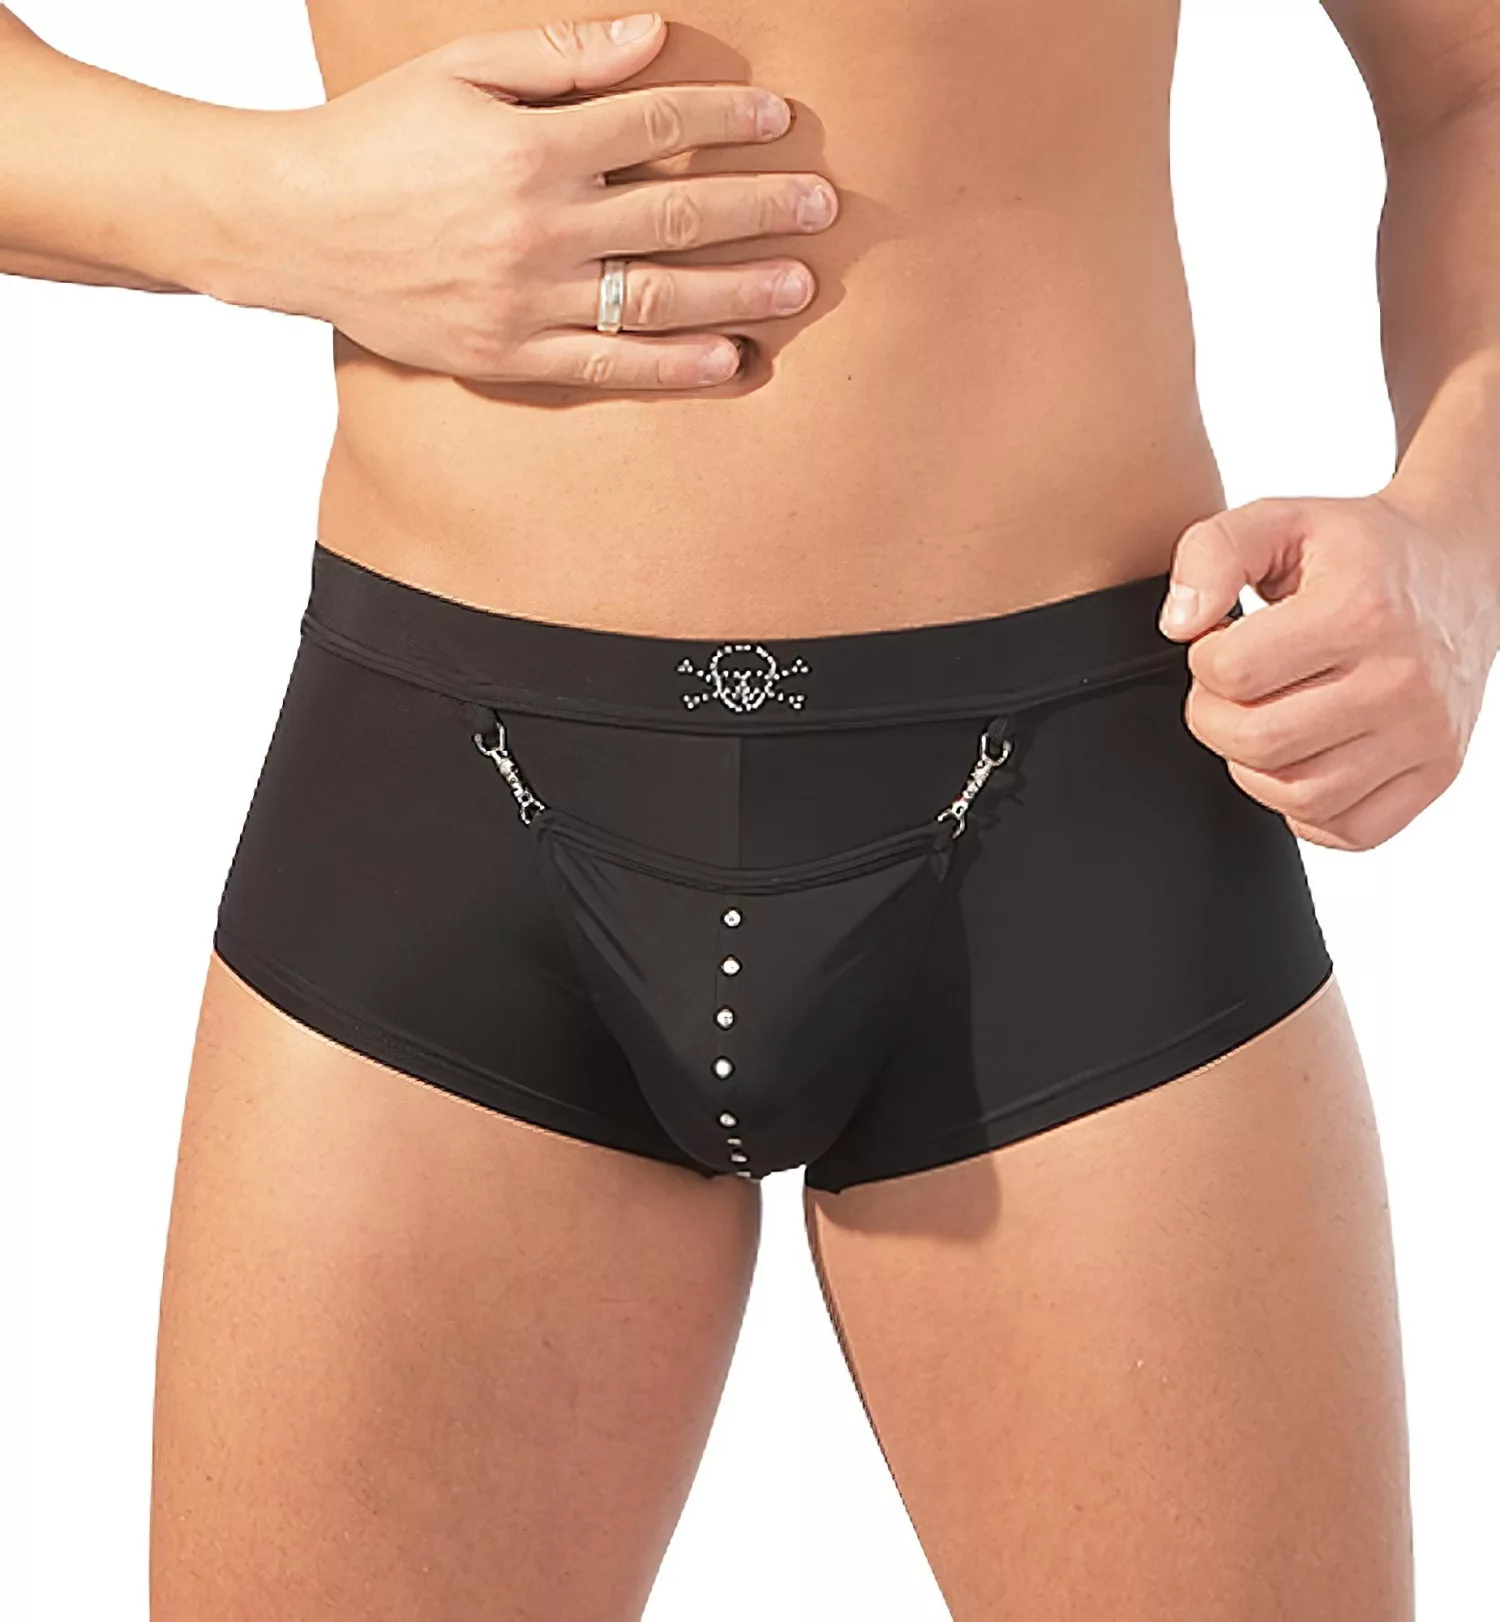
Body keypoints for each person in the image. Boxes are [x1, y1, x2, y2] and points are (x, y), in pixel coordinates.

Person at [3, 3, 1495, 1615]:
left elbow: (1474, 80)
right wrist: (274, 206)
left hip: (1076, 810)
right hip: (448, 804)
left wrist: (1457, 536)